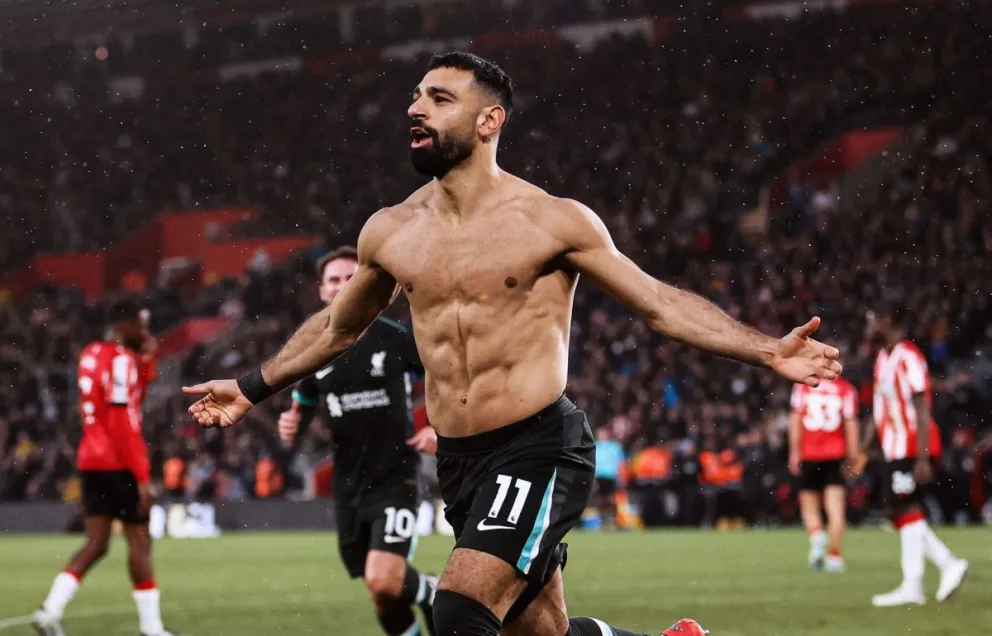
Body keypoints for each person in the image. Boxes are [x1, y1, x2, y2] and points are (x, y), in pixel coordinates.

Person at [184, 51, 843, 636]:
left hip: (539, 448)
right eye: (416, 96)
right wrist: (250, 388)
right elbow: (339, 329)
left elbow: (659, 303)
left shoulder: (551, 220)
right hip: (461, 464)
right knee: (537, 633)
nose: (416, 108)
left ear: (489, 121)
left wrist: (766, 350)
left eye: (440, 99)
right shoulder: (390, 232)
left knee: (459, 610)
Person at [277, 245, 439, 636]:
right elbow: (306, 393)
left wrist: (436, 425)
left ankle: (435, 592)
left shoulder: (397, 338)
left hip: (395, 477)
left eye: (352, 278)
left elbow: (445, 377)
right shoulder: (314, 346)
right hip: (348, 486)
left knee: (384, 579)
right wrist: (292, 417)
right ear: (321, 291)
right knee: (380, 592)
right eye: (334, 279)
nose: (343, 286)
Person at [34, 302, 185, 636]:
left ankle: (49, 610)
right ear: (125, 325)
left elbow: (128, 400)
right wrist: (143, 477)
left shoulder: (92, 353)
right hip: (118, 461)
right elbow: (123, 419)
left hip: (91, 457)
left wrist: (145, 363)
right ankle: (152, 628)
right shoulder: (120, 360)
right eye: (141, 326)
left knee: (96, 543)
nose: (146, 334)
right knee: (140, 541)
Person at [850, 305, 968, 606]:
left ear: (887, 320)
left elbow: (922, 408)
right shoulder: (883, 358)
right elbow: (878, 410)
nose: (868, 323)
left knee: (906, 508)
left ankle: (916, 583)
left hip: (913, 445)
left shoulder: (909, 357)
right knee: (895, 510)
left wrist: (924, 457)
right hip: (894, 447)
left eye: (872, 317)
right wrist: (864, 449)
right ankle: (946, 564)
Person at [788, 373, 859, 572]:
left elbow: (796, 418)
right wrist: (853, 454)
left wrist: (794, 452)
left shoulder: (802, 386)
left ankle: (817, 534)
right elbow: (851, 422)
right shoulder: (845, 388)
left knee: (809, 503)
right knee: (835, 507)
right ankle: (834, 557)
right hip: (835, 454)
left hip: (809, 453)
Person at [593, 428, 625, 530]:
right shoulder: (594, 446)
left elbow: (621, 462)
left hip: (611, 476)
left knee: (611, 499)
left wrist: (621, 475)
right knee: (600, 500)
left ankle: (613, 520)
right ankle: (603, 521)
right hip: (598, 476)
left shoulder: (614, 447)